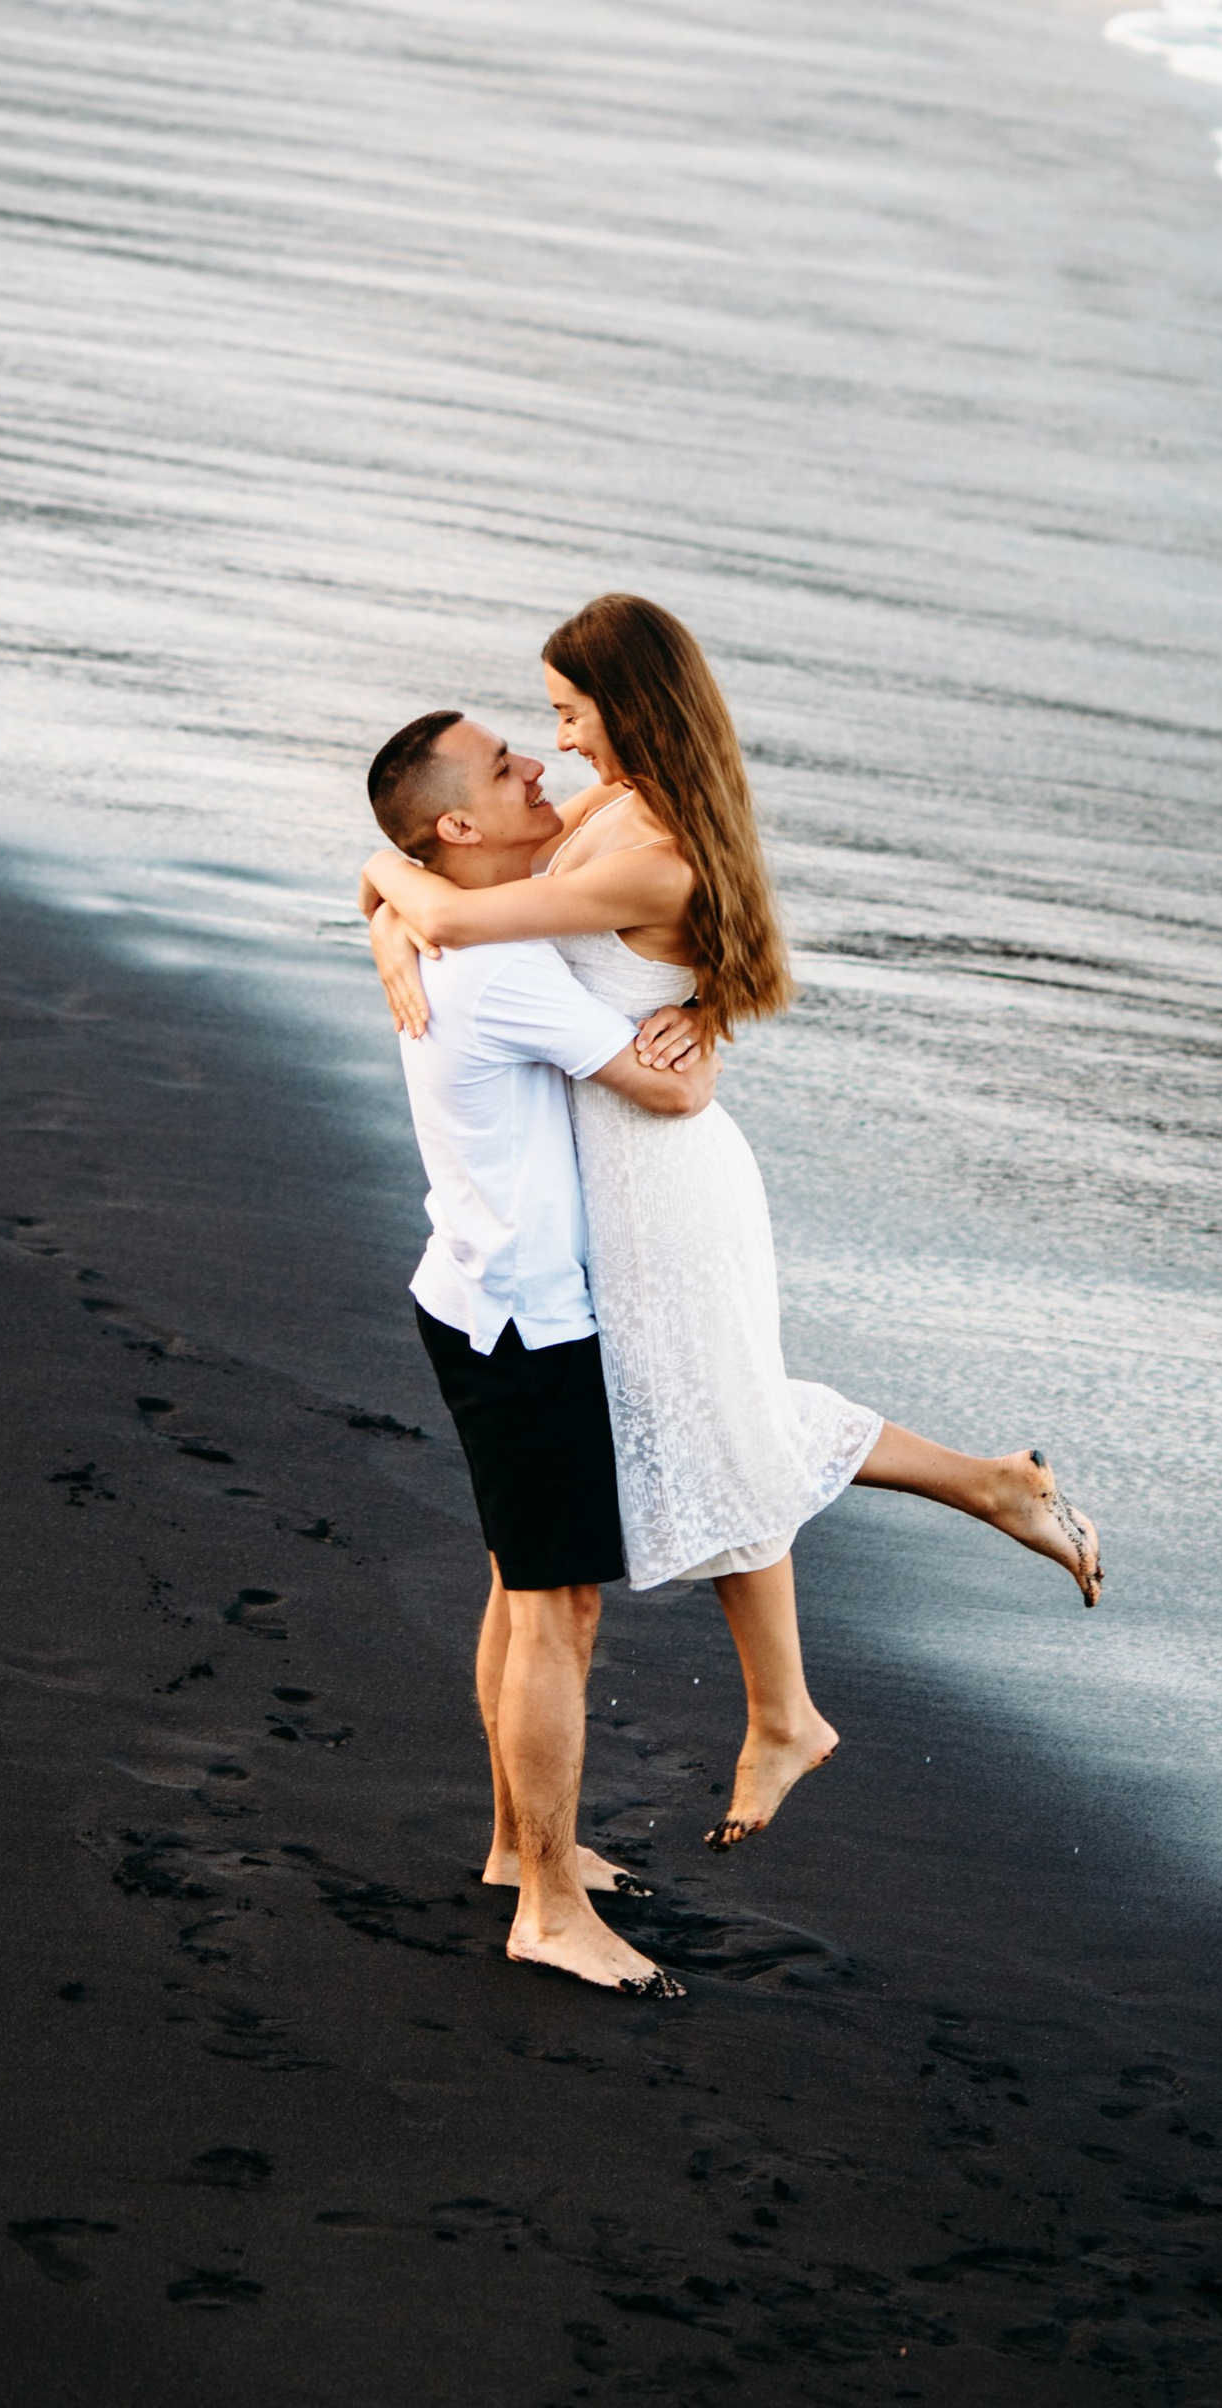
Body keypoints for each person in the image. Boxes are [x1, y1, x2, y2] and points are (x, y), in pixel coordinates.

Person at [364, 593, 1102, 1853]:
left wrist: (393, 900)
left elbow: (449, 904)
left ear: (628, 707)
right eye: (544, 721)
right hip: (607, 1172)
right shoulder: (608, 807)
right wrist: (389, 896)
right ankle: (979, 1495)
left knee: (710, 1422)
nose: (557, 745)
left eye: (568, 712)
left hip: (658, 1177)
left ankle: (793, 1703)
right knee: (714, 1414)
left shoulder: (652, 852)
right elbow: (447, 867)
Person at [366, 702, 709, 1998]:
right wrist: (706, 1028)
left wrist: (385, 889)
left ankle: (521, 1847)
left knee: (527, 1590)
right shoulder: (499, 966)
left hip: (475, 1296)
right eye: (505, 765)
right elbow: (669, 1089)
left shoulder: (466, 927)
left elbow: (410, 884)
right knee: (557, 1610)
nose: (537, 762)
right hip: (527, 1323)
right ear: (458, 827)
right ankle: (549, 1908)